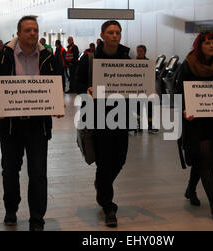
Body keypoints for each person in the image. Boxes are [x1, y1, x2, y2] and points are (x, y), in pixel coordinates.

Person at [0, 15, 61, 231]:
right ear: (18, 33)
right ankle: (11, 209)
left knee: (38, 174)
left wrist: (56, 105)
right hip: (10, 126)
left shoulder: (48, 56)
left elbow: (57, 83)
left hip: (38, 125)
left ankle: (37, 219)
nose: (32, 34)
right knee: (10, 171)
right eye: (28, 30)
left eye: (35, 30)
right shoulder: (2, 55)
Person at [76, 20, 131, 227]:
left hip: (122, 114)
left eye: (118, 32)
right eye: (110, 32)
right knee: (105, 160)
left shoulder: (127, 58)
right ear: (102, 35)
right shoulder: (90, 59)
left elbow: (135, 84)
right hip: (97, 115)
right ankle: (108, 205)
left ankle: (101, 183)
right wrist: (87, 89)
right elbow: (76, 83)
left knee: (120, 159)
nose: (115, 36)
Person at [175, 32, 213, 225]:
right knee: (205, 160)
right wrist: (183, 109)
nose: (211, 45)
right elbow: (177, 91)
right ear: (200, 45)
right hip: (195, 121)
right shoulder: (188, 65)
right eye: (207, 42)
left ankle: (191, 188)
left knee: (206, 160)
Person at [135, 45, 159, 134]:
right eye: (138, 51)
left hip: (147, 89)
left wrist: (153, 89)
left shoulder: (149, 63)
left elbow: (153, 77)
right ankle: (139, 126)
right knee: (138, 107)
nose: (139, 53)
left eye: (141, 51)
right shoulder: (133, 63)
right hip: (137, 89)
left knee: (149, 107)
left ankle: (150, 126)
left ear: (145, 52)